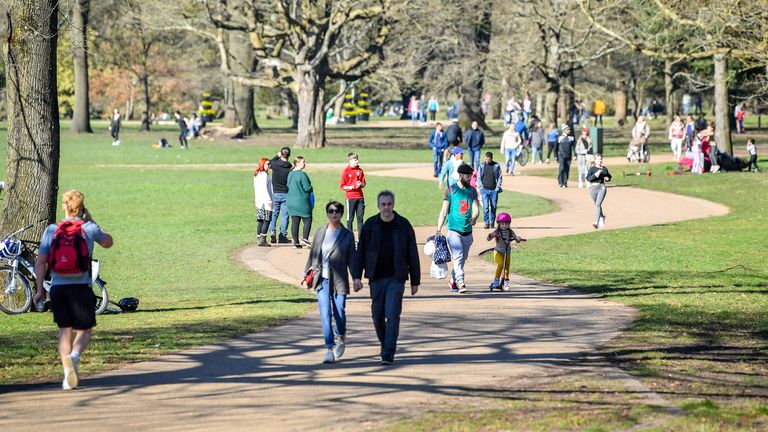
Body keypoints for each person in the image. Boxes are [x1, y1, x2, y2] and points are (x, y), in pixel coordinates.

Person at [32, 190, 114, 390]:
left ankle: (67, 374)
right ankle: (74, 357)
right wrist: (92, 222)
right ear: (81, 207)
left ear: (64, 206)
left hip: (58, 288)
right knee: (85, 330)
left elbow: (41, 262)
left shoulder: (52, 230)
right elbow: (108, 242)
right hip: (81, 287)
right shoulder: (88, 228)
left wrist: (40, 290)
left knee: (65, 331)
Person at [352, 191, 420, 365]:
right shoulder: (370, 225)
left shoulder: (403, 225)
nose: (387, 208)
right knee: (377, 316)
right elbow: (360, 252)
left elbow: (412, 253)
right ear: (378, 205)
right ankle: (385, 343)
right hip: (376, 278)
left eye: (389, 204)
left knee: (392, 314)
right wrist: (356, 277)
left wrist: (415, 280)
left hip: (396, 278)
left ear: (393, 204)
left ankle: (389, 352)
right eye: (383, 204)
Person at [302, 201, 356, 364]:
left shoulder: (347, 235)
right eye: (331, 211)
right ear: (327, 213)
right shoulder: (320, 232)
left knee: (339, 312)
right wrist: (306, 274)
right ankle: (329, 349)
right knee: (325, 313)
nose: (334, 214)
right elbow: (313, 254)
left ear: (341, 214)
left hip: (339, 279)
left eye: (337, 211)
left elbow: (352, 259)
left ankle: (341, 337)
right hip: (322, 279)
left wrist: (356, 278)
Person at [437, 163, 480, 294]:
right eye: (468, 175)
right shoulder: (451, 190)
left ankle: (453, 280)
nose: (470, 178)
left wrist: (474, 217)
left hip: (467, 232)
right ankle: (461, 282)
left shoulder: (472, 191)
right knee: (458, 256)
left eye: (471, 175)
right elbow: (444, 211)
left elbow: (476, 208)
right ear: (461, 175)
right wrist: (438, 229)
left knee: (462, 258)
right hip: (453, 231)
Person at [486, 212, 526, 292]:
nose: (504, 225)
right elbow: (488, 238)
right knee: (501, 264)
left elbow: (516, 238)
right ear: (499, 224)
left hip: (507, 252)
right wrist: (490, 235)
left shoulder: (510, 232)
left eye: (506, 224)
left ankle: (506, 281)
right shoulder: (497, 231)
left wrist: (518, 239)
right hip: (498, 252)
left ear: (509, 224)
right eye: (502, 224)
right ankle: (496, 280)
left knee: (507, 267)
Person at [286, 156, 314, 248]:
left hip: (290, 201)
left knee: (295, 221)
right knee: (307, 219)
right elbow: (307, 188)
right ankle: (305, 239)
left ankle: (296, 242)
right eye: (303, 162)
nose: (305, 164)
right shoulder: (302, 174)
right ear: (297, 163)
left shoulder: (290, 174)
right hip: (301, 201)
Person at [269, 147, 293, 244]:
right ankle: (282, 235)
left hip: (275, 192)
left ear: (281, 154)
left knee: (274, 214)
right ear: (289, 155)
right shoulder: (290, 167)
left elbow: (269, 162)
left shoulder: (275, 164)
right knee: (285, 216)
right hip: (286, 193)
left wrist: (276, 156)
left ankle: (272, 231)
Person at [339, 153, 366, 235]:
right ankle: (350, 238)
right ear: (350, 160)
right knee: (350, 219)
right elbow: (342, 186)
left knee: (360, 219)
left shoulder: (360, 170)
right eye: (355, 160)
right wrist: (351, 187)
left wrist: (360, 184)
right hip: (350, 198)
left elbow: (364, 183)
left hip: (360, 197)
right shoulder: (346, 172)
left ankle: (361, 238)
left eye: (357, 159)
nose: (357, 161)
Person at [477, 151, 502, 229]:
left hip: (494, 191)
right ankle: (486, 223)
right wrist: (481, 187)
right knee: (486, 208)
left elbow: (500, 177)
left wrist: (497, 188)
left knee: (493, 207)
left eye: (489, 159)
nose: (487, 161)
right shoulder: (481, 166)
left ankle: (492, 222)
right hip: (484, 190)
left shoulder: (496, 166)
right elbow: (478, 177)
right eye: (486, 159)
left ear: (491, 158)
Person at [586, 154, 612, 228]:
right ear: (595, 160)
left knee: (598, 204)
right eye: (598, 159)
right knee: (597, 205)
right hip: (593, 189)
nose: (600, 160)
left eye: (600, 159)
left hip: (601, 187)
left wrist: (608, 178)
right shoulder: (592, 169)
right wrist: (595, 175)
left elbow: (609, 176)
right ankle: (602, 216)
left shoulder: (604, 169)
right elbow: (588, 179)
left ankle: (596, 222)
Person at [254, 158, 274, 247]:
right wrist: (269, 200)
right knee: (266, 220)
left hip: (259, 201)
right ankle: (263, 239)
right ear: (262, 164)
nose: (269, 166)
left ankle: (259, 238)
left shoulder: (257, 174)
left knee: (261, 220)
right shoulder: (264, 175)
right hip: (265, 201)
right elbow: (264, 189)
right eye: (267, 164)